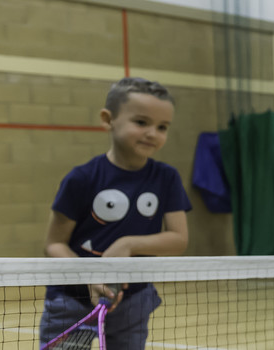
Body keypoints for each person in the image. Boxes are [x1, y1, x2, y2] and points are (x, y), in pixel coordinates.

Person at [41, 77, 191, 348]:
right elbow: (54, 243)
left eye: (162, 127)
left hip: (133, 299)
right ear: (107, 119)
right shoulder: (81, 178)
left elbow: (179, 239)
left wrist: (128, 244)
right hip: (72, 299)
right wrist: (87, 276)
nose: (152, 133)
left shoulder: (166, 178)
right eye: (141, 122)